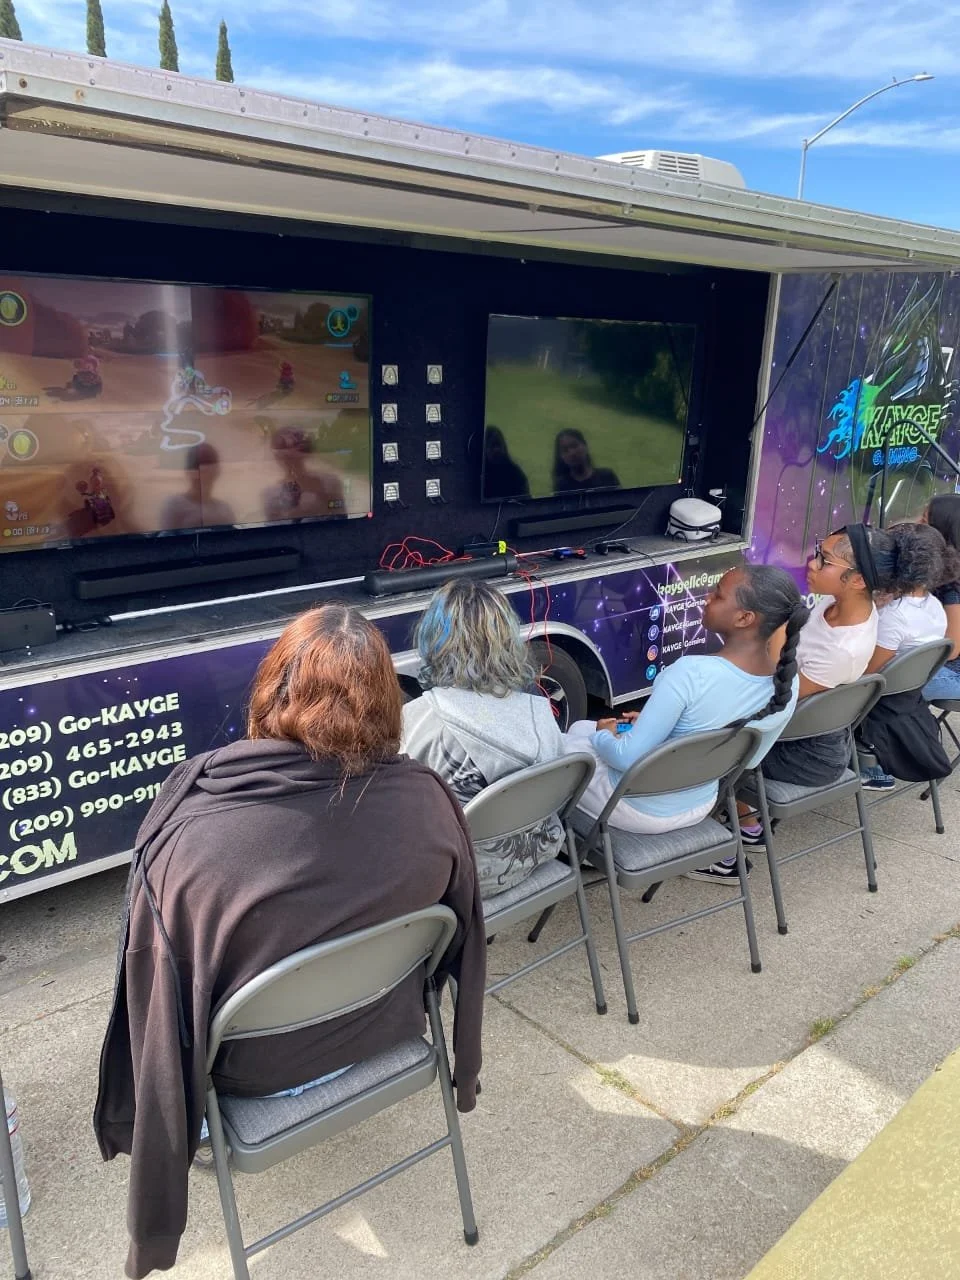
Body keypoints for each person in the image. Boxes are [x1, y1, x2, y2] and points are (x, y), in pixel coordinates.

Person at [94, 605, 485, 1280]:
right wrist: (466, 1068)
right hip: (386, 1033)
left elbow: (155, 1023)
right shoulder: (431, 800)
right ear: (391, 698)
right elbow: (467, 942)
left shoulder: (193, 845)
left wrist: (151, 1223)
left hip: (253, 1081)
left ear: (271, 688)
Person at [565, 564, 808, 882]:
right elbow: (747, 756)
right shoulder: (787, 685)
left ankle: (561, 846)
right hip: (699, 801)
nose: (707, 598)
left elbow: (624, 758)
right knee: (584, 734)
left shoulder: (691, 673)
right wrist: (663, 722)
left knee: (573, 736)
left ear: (744, 618)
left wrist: (604, 734)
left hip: (634, 810)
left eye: (718, 594)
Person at [401, 578, 566, 897]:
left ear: (433, 639)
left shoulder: (419, 720)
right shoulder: (539, 711)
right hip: (541, 851)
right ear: (508, 640)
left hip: (462, 881)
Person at [736, 524, 895, 843]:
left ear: (858, 580)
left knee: (709, 744)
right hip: (804, 727)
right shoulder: (841, 606)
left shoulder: (842, 650)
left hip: (803, 752)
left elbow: (775, 700)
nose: (812, 564)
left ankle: (744, 829)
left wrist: (777, 623)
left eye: (824, 560)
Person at [859, 520, 960, 788]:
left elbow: (868, 672)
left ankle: (871, 767)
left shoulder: (895, 616)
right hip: (909, 698)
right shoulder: (934, 606)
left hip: (882, 699)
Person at [921, 493, 960, 701]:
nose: (918, 523)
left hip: (954, 674)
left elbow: (951, 650)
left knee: (891, 685)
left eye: (925, 520)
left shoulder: (954, 586)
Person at [159, 442, 237, 531]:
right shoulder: (173, 506)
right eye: (197, 466)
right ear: (188, 472)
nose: (201, 472)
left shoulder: (224, 510)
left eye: (210, 463)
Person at [552, 428, 621, 493]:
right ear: (561, 457)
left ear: (585, 446)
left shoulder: (607, 477)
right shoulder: (562, 487)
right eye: (565, 450)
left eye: (575, 446)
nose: (572, 453)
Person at [483, 425, 531, 500]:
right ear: (484, 449)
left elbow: (526, 504)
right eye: (492, 445)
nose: (496, 450)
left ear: (504, 446)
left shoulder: (516, 474)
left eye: (498, 444)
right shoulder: (480, 475)